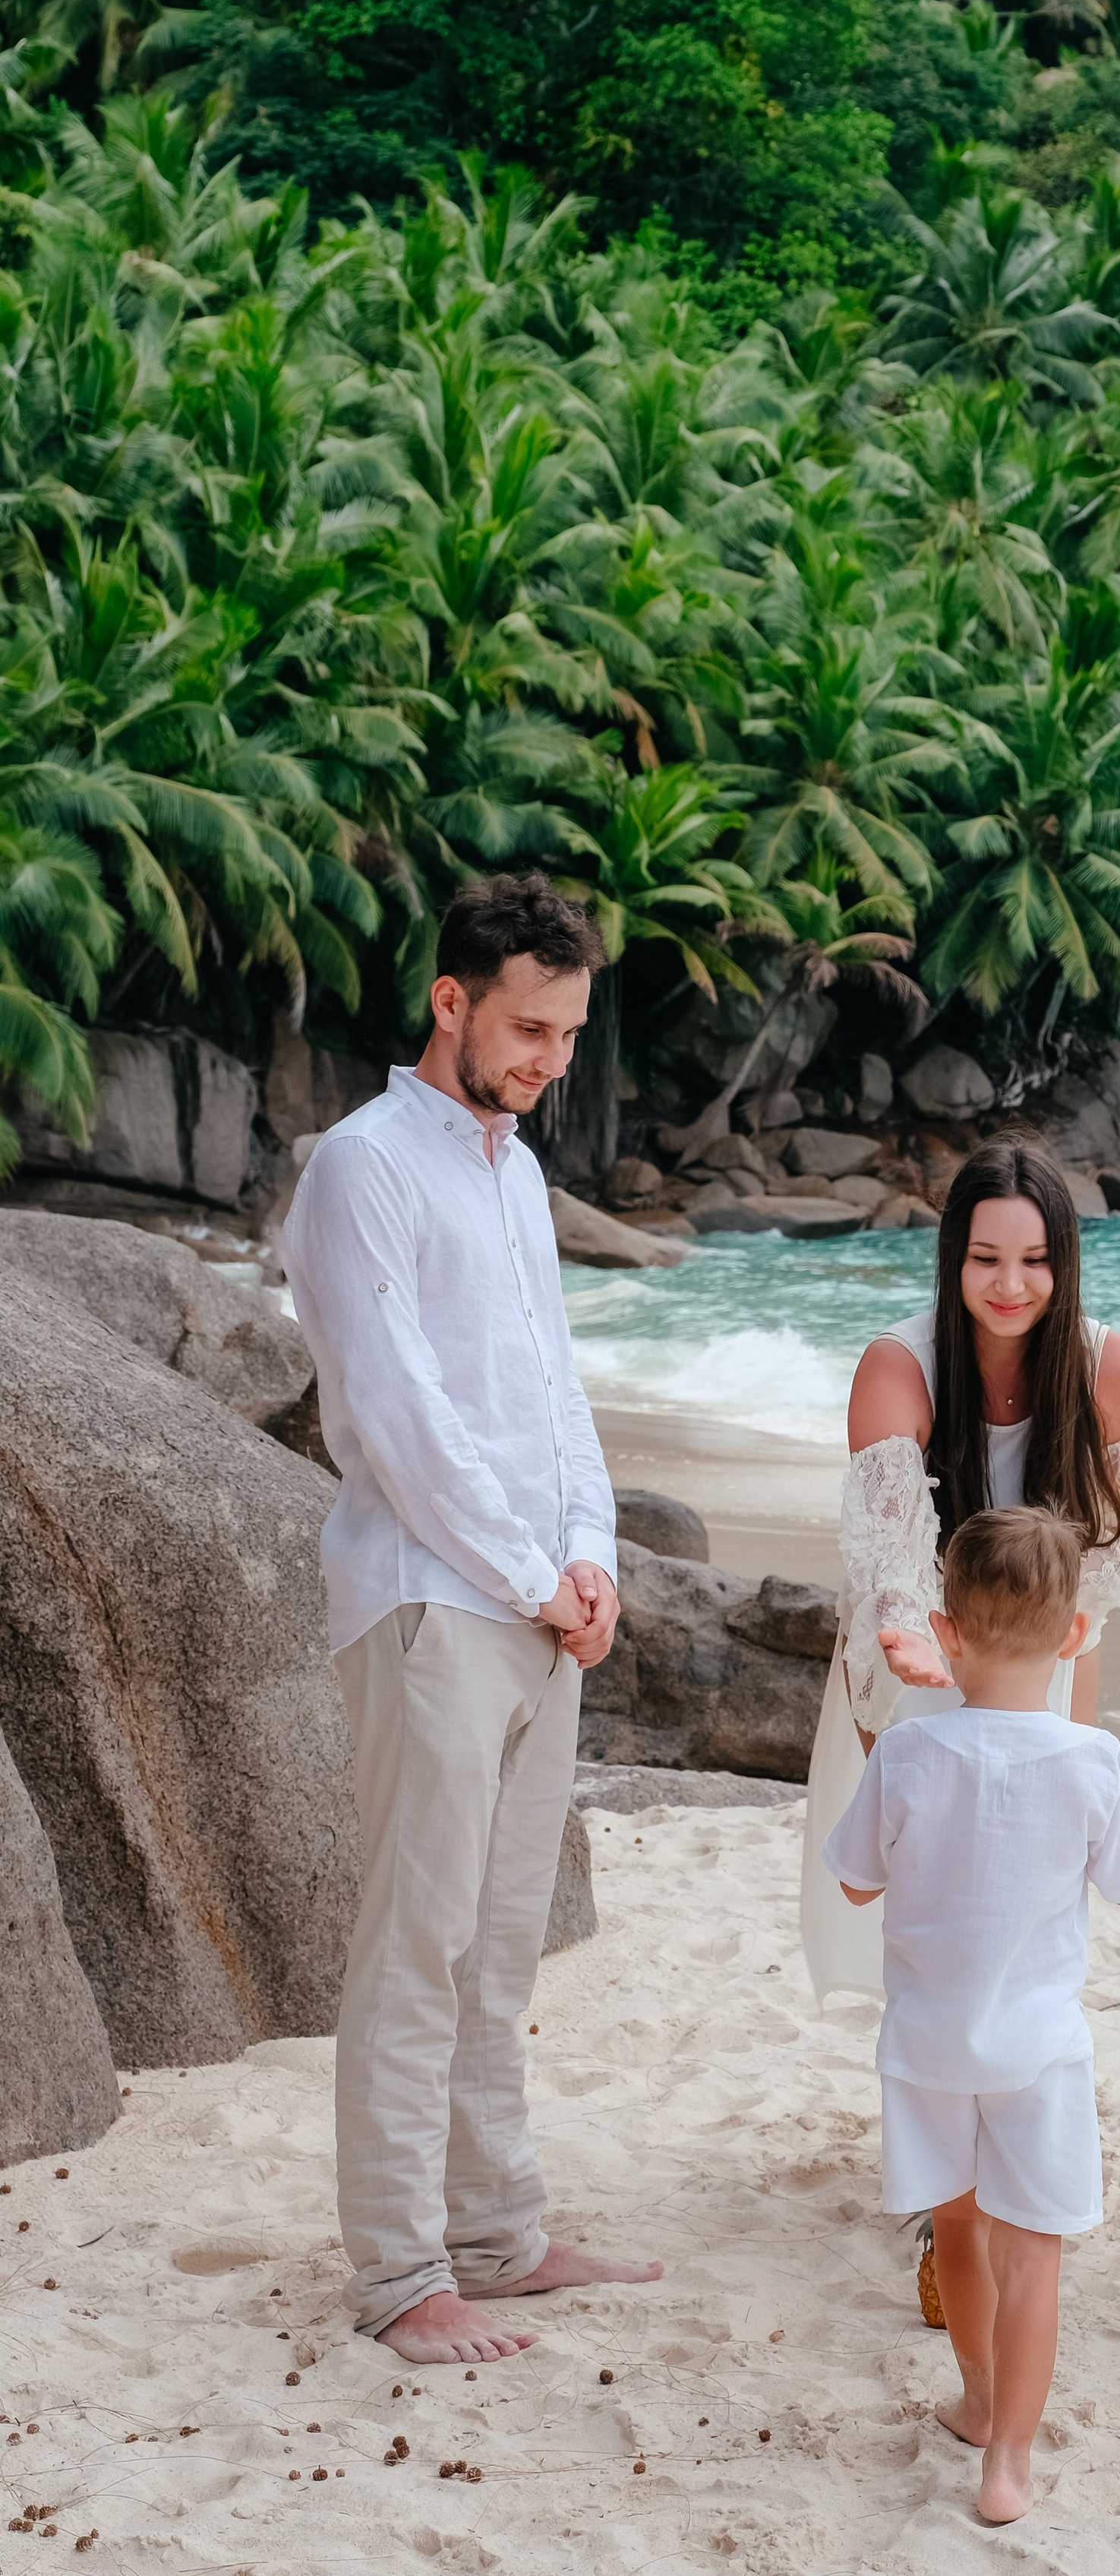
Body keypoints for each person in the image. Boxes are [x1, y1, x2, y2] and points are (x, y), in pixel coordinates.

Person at [281, 872, 662, 2369]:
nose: (549, 1057)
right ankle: (397, 2269)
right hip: (428, 1598)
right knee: (417, 1941)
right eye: (526, 1026)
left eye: (568, 1032)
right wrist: (527, 1571)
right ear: (449, 1000)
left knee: (503, 1945)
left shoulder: (509, 1170)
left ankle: (499, 2234)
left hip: (534, 1600)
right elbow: (397, 1412)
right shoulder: (360, 1164)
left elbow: (552, 1389)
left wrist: (593, 1553)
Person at [822, 1506, 1120, 2524]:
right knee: (1034, 2253)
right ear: (1070, 1637)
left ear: (947, 1629)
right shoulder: (1092, 1761)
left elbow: (852, 1884)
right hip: (1040, 2051)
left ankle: (973, 2394)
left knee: (958, 2231)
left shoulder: (911, 1757)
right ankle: (1008, 2459)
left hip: (928, 2045)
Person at [800, 1139, 1120, 2007]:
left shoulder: (1105, 1361)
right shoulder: (901, 1362)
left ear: (1063, 1262)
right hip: (919, 1633)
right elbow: (891, 1557)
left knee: (1039, 1869)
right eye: (986, 1258)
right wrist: (926, 1644)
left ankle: (1023, 2045)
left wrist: (1044, 1649)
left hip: (1052, 1633)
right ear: (953, 1256)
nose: (1011, 1284)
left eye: (1036, 1260)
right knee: (926, 1866)